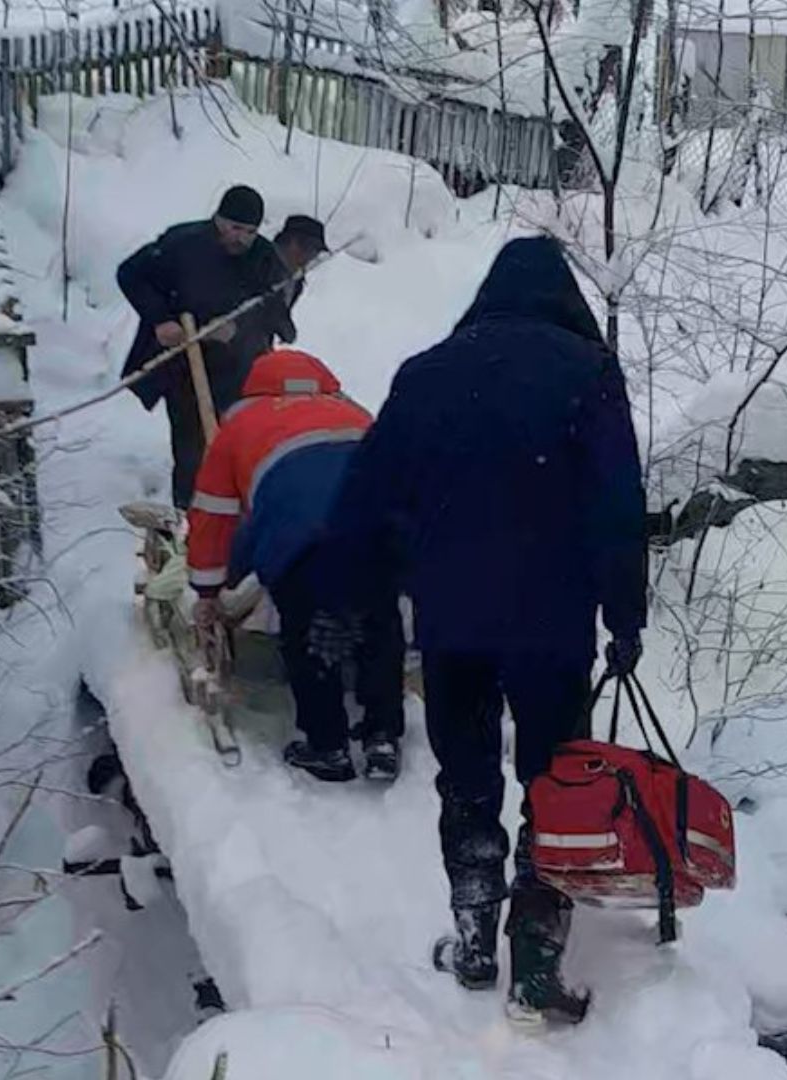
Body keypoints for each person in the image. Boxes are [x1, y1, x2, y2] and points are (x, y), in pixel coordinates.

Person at [324, 236, 647, 1026]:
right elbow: (616, 506)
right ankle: (533, 965)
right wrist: (625, 616)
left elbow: (363, 505)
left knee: (466, 773)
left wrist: (349, 601)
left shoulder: (425, 375)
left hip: (452, 620)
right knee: (554, 781)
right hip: (552, 626)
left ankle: (473, 939)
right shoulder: (587, 372)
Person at [185, 347, 406, 783]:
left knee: (307, 633)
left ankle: (328, 746)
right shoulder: (353, 411)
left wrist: (209, 590)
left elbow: (214, 517)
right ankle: (382, 737)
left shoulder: (240, 424)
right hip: (379, 530)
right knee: (379, 624)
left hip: (300, 538)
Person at [116, 184, 295, 508]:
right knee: (191, 447)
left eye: (250, 231)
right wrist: (161, 319)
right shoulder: (182, 244)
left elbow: (276, 308)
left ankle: (236, 515)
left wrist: (238, 328)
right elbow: (130, 274)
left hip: (238, 366)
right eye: (234, 228)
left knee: (238, 441)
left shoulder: (264, 257)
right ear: (218, 220)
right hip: (184, 362)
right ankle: (188, 515)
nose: (240, 238)